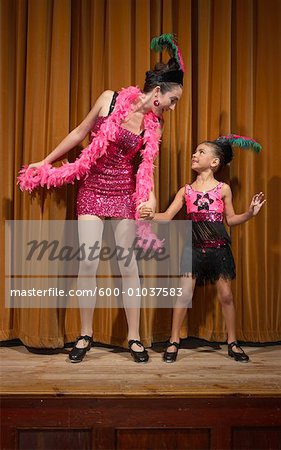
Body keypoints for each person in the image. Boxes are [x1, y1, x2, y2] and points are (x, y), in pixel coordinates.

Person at [18, 34, 184, 363]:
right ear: (156, 93)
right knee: (88, 261)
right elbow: (80, 132)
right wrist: (46, 161)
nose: (173, 107)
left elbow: (146, 168)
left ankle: (134, 338)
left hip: (124, 192)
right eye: (173, 99)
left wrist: (147, 200)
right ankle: (85, 334)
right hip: (92, 188)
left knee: (128, 265)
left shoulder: (155, 125)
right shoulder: (110, 99)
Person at [140, 135, 266, 363]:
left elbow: (231, 219)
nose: (194, 155)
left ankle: (232, 342)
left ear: (215, 162)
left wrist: (249, 213)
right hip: (193, 250)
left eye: (200, 152)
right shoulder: (185, 191)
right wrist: (148, 216)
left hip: (219, 249)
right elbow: (167, 217)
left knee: (226, 295)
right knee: (183, 295)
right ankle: (174, 340)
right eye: (194, 152)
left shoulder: (223, 189)